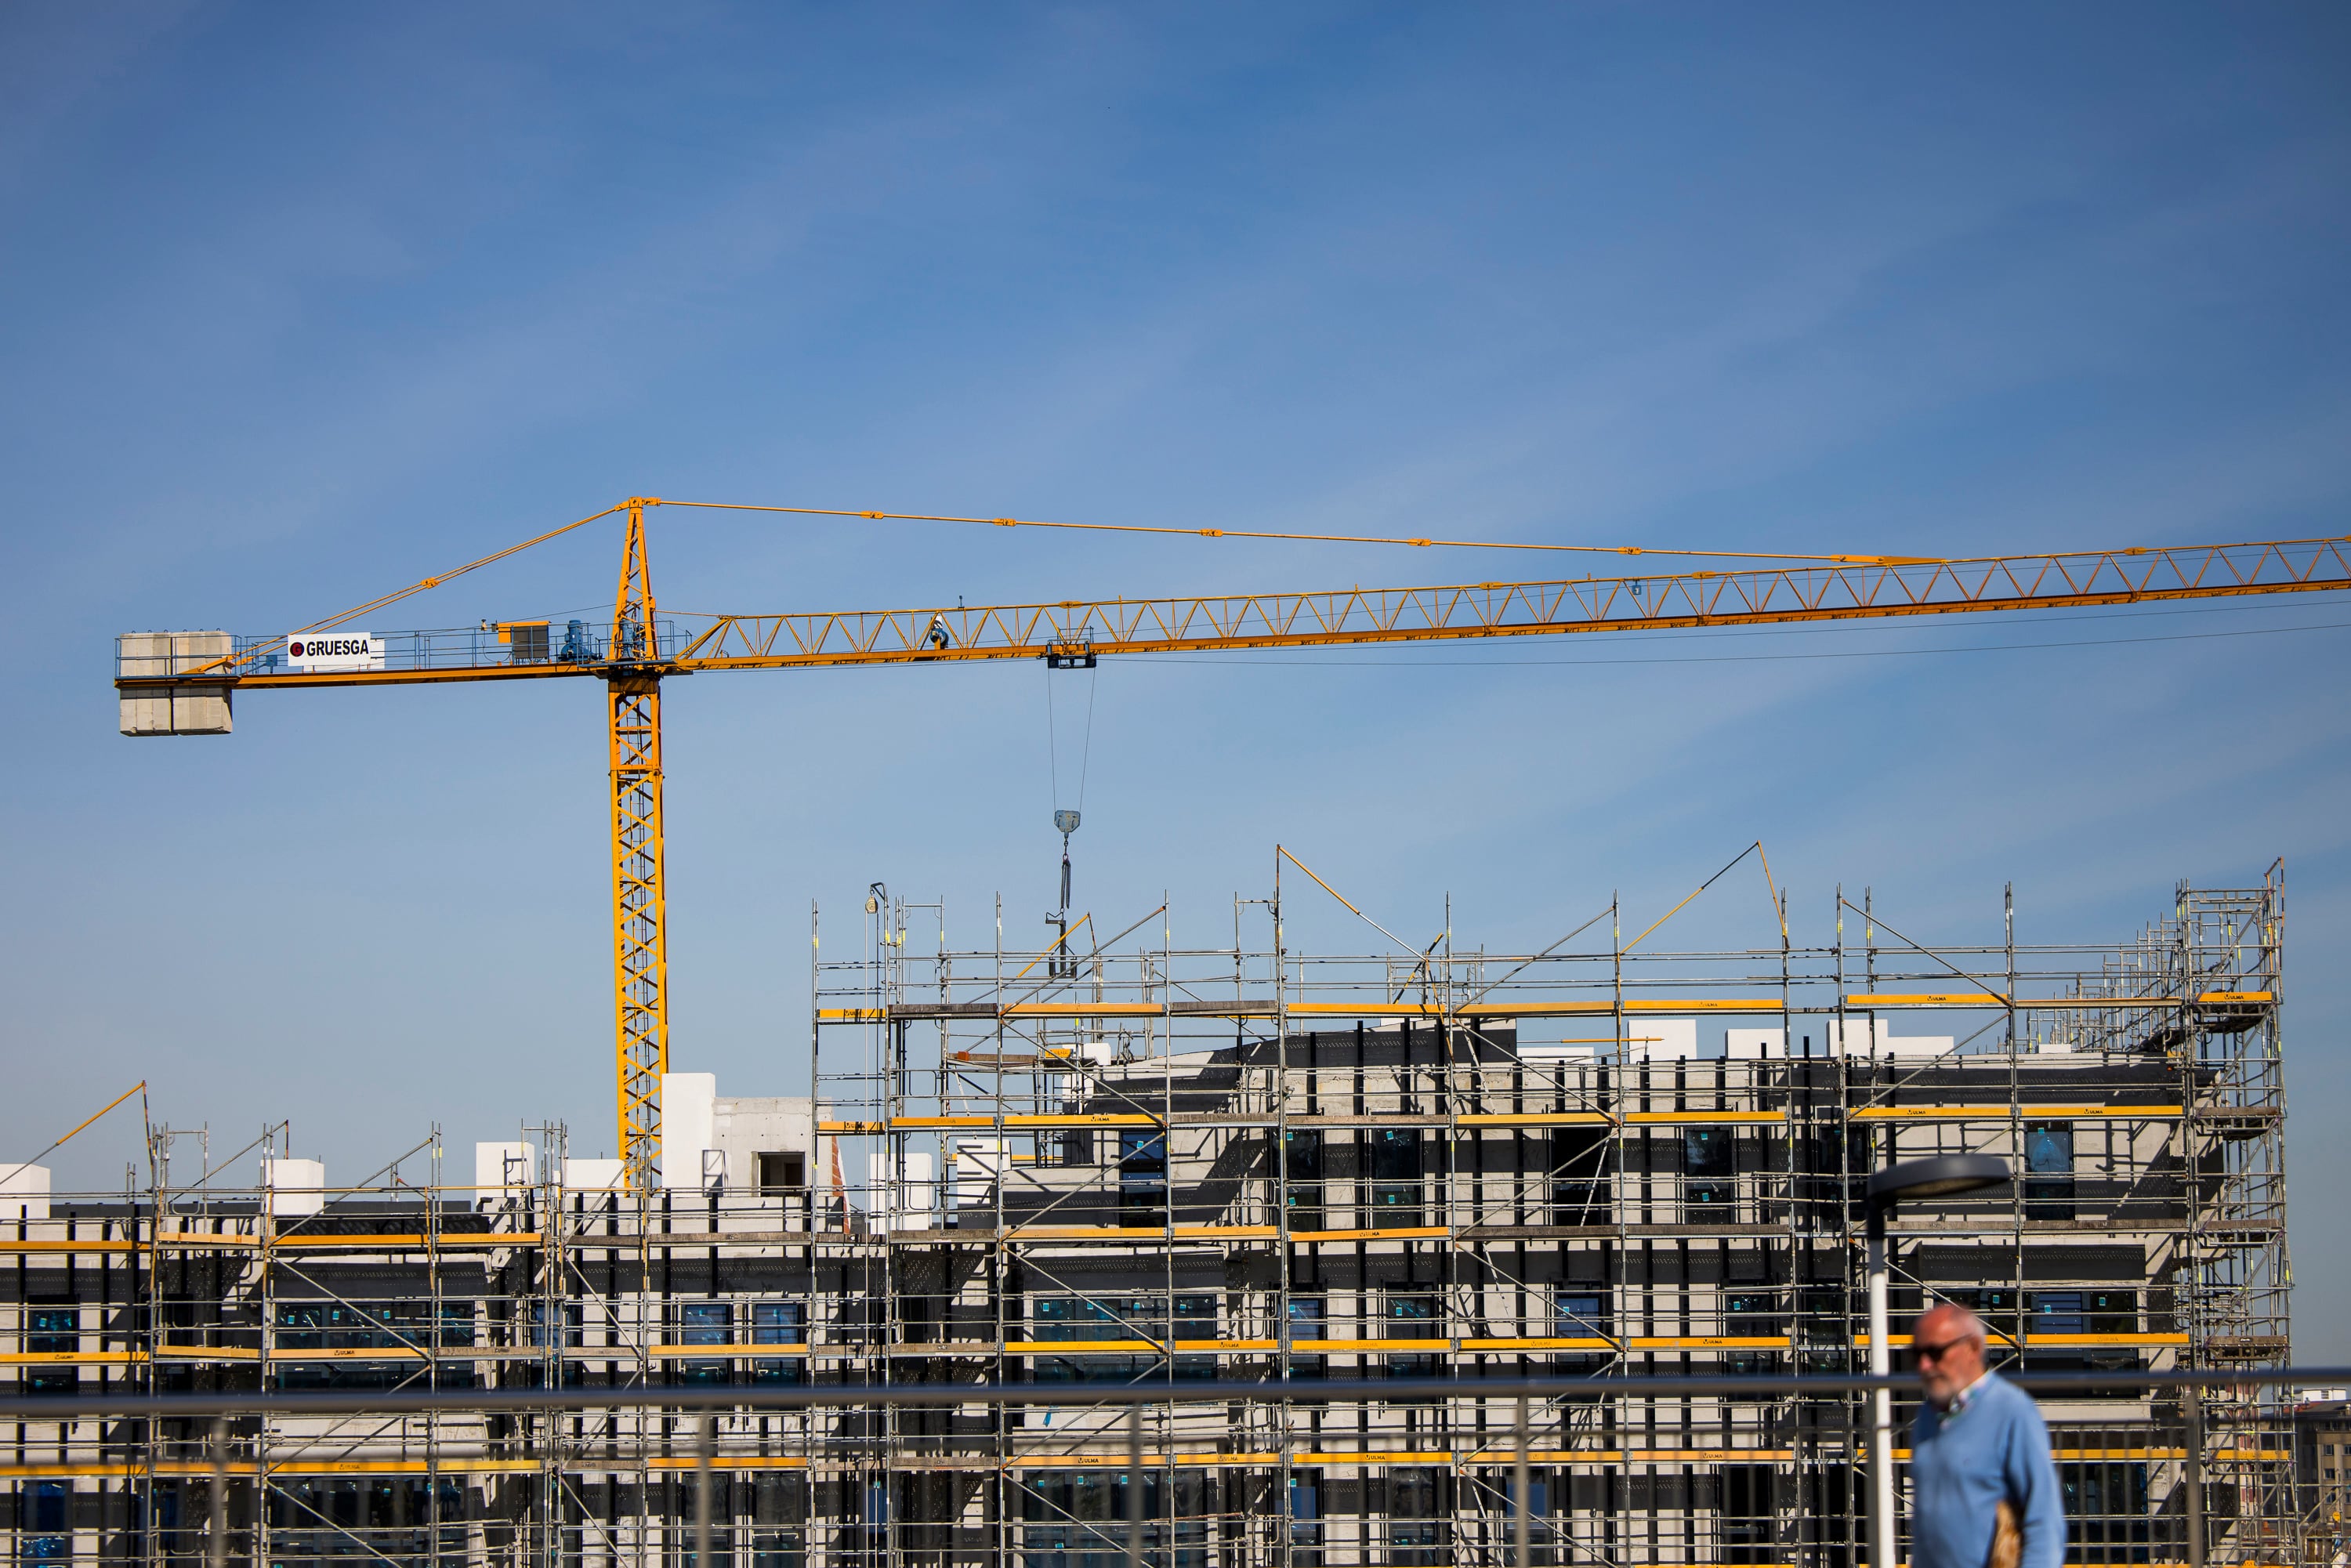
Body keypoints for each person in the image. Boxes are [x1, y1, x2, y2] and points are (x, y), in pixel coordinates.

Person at [1907, 1301, 2064, 1568]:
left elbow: (2043, 1520)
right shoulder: (1926, 1417)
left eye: (1934, 1353)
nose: (1923, 1366)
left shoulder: (2012, 1411)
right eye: (1916, 1354)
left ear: (1972, 1348)